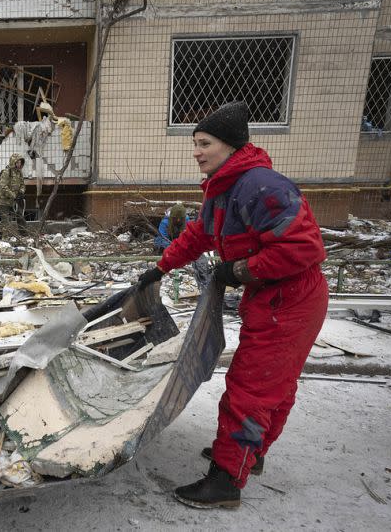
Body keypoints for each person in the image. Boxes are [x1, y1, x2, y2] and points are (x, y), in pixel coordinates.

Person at [137, 101, 328, 509]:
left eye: (204, 143)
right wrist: (159, 269)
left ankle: (226, 481)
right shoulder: (225, 189)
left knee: (252, 388)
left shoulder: (262, 187)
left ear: (230, 146)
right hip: (273, 296)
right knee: (273, 384)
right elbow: (198, 235)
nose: (196, 151)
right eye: (195, 143)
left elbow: (304, 248)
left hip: (291, 298)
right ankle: (248, 454)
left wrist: (238, 270)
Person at [0, 153, 27, 238]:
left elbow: (22, 184)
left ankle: (24, 236)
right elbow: (3, 187)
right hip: (3, 201)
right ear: (14, 162)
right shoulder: (6, 172)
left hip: (14, 201)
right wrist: (13, 195)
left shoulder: (19, 173)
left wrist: (21, 192)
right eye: (18, 162)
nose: (19, 164)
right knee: (6, 221)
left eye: (21, 162)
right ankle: (4, 240)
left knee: (20, 217)